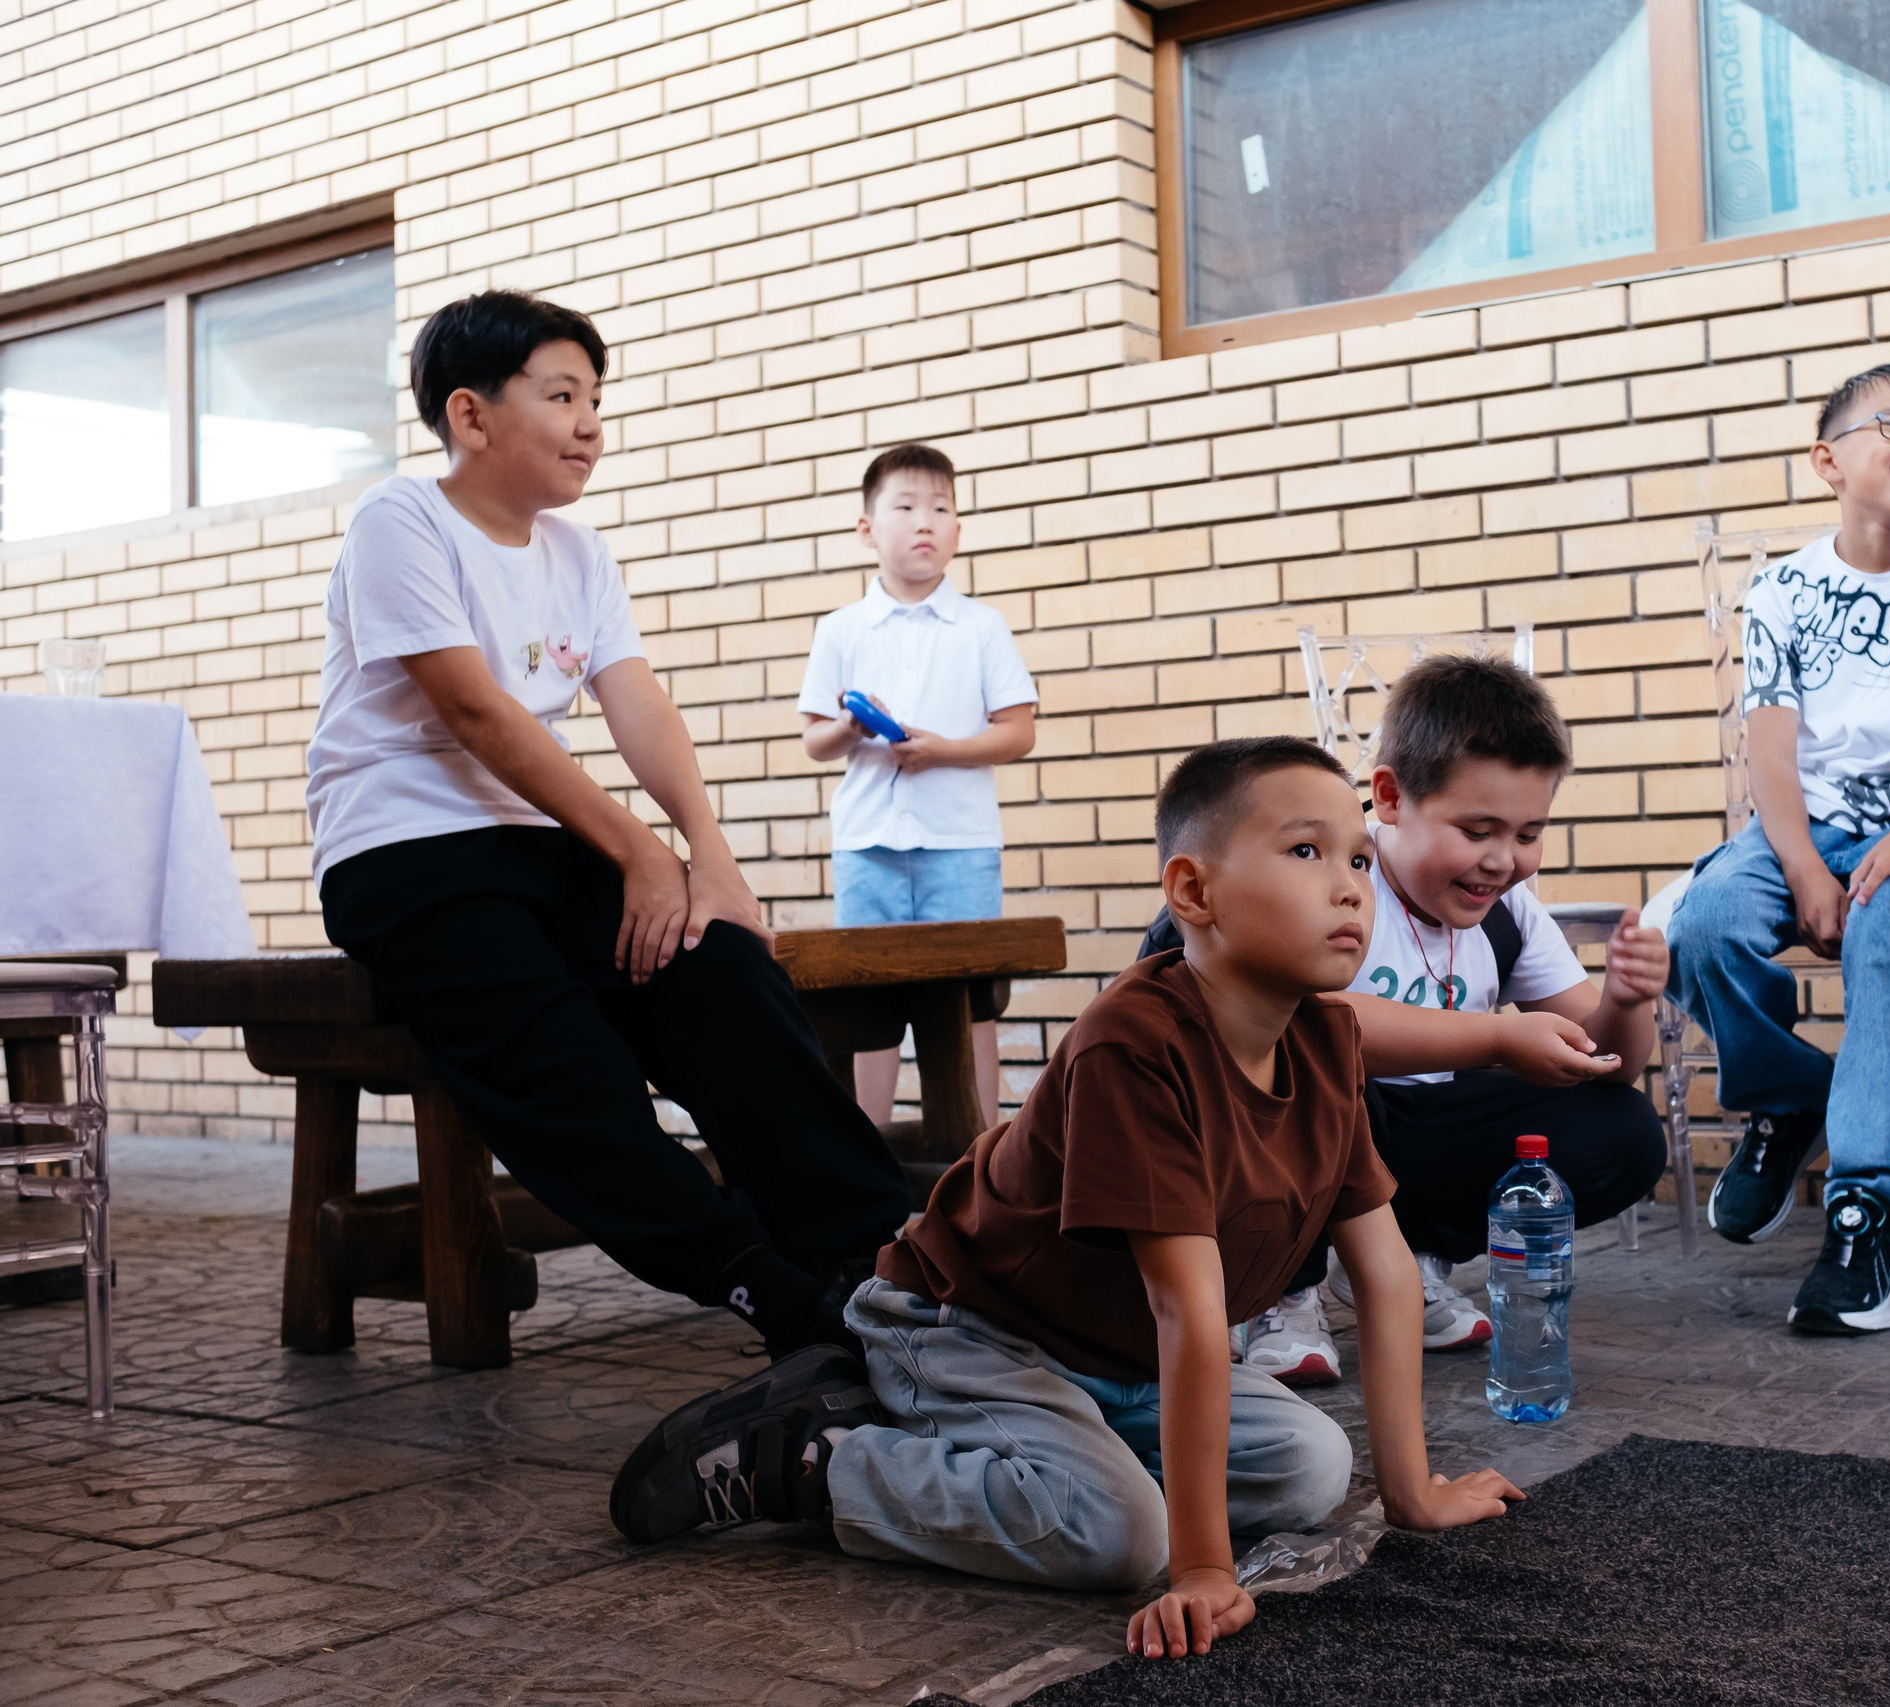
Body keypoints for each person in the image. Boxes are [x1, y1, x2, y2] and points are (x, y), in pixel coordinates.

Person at [608, 737, 1522, 1661]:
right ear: (1193, 892)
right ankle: (818, 1455)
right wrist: (1201, 1567)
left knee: (1313, 1465)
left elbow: (1388, 1272)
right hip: (973, 1327)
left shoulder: (1326, 1043)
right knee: (1118, 1536)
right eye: (1305, 852)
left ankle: (1055, 1451)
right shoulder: (1134, 1040)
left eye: (1360, 858)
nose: (1350, 886)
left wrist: (1414, 1491)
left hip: (1124, 1361)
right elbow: (1188, 1309)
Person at [306, 290, 908, 1358]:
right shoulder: (399, 517)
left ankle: (876, 1257)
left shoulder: (580, 557)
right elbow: (473, 708)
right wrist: (636, 847)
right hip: (403, 853)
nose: (591, 422)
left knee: (722, 971)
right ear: (471, 414)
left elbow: (638, 702)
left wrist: (704, 858)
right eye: (561, 395)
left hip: (541, 843)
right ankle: (753, 1282)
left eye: (596, 397)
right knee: (563, 1062)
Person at [1213, 656, 1668, 1386]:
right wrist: (1495, 1036)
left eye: (1527, 833)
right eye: (1478, 828)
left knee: (1624, 1129)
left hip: (1401, 1138)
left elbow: (1607, 1061)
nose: (1503, 860)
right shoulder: (1333, 876)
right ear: (1390, 797)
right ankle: (1278, 1289)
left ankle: (1400, 1257)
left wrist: (1626, 1000)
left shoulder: (1507, 908)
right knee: (1315, 1067)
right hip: (1292, 1130)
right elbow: (1297, 1023)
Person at [1665, 361, 1890, 1335]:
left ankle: (1866, 1219)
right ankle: (1788, 1097)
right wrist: (1806, 868)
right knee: (1708, 925)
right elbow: (1767, 745)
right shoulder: (1780, 588)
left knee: (1889, 930)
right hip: (1800, 824)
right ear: (1826, 460)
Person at [798, 443, 1037, 1129]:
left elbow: (1019, 731)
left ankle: (979, 1156)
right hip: (866, 844)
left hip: (960, 844)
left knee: (970, 1004)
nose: (925, 520)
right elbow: (815, 740)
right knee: (866, 1009)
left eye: (941, 507)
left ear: (958, 531)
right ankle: (863, 1156)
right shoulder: (839, 629)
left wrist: (943, 750)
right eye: (904, 506)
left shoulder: (982, 627)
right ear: (867, 528)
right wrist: (851, 726)